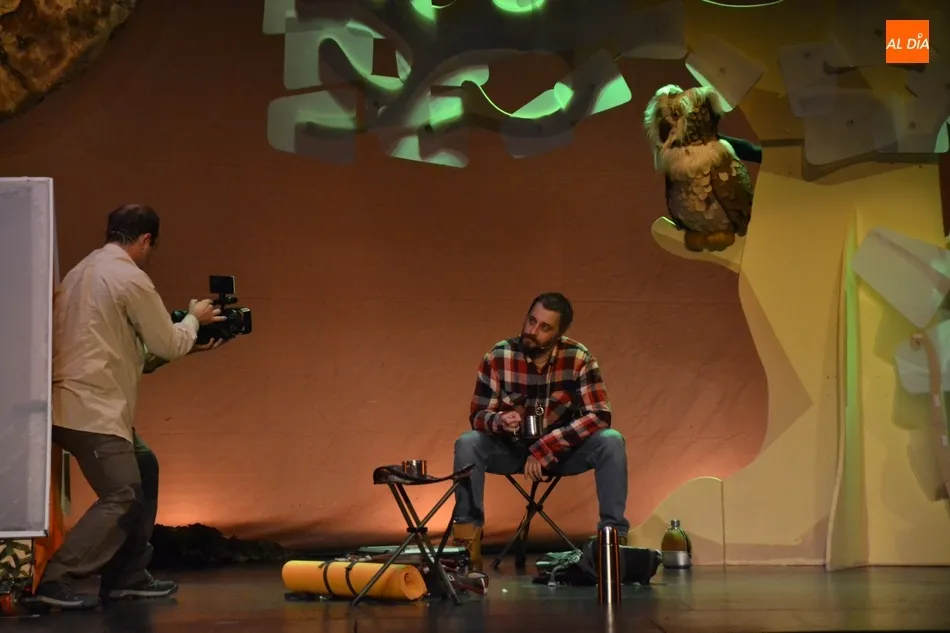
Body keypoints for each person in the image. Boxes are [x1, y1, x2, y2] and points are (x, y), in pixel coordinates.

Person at [34, 204, 228, 610]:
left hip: (72, 403)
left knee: (144, 465)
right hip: (91, 410)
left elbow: (126, 351)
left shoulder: (80, 273)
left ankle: (127, 575)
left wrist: (188, 343)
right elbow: (167, 344)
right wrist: (193, 319)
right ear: (146, 240)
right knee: (123, 493)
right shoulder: (130, 277)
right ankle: (56, 579)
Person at [450, 292, 629, 570]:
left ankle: (612, 541)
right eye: (531, 321)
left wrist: (546, 448)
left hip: (560, 454)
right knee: (468, 442)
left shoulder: (579, 358)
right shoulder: (498, 356)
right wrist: (499, 420)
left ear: (559, 334)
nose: (532, 331)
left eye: (544, 327)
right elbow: (478, 416)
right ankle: (466, 545)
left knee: (611, 441)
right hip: (510, 450)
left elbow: (599, 415)